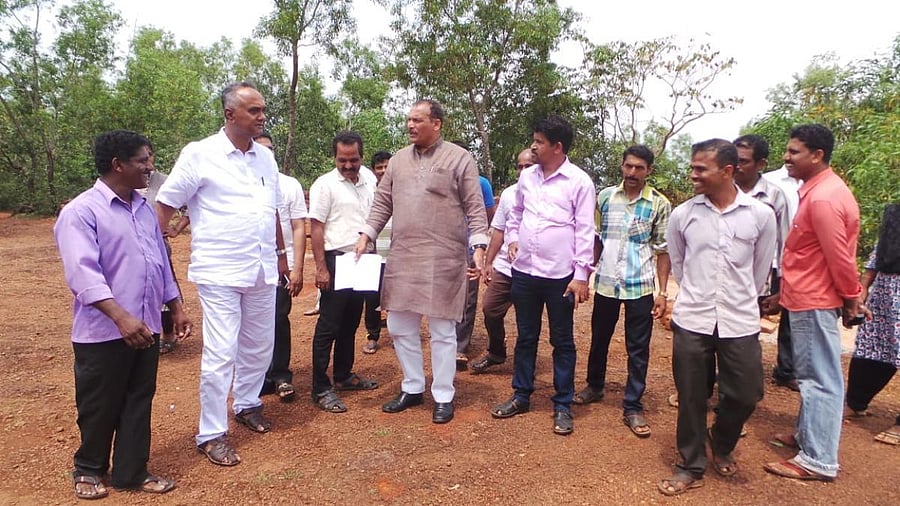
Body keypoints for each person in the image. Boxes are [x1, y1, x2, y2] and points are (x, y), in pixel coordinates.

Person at [156, 82, 297, 467]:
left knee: (259, 345)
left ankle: (248, 403)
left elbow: (270, 212)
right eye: (254, 111)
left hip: (262, 267)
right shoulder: (200, 154)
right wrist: (155, 248)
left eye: (263, 110)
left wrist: (282, 256)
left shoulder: (265, 159)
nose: (262, 116)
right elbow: (165, 205)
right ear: (229, 114)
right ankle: (211, 432)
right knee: (221, 353)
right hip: (220, 270)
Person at [55, 130, 190, 499]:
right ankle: (88, 469)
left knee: (138, 399)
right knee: (100, 403)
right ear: (118, 165)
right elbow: (83, 274)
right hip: (103, 332)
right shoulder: (81, 212)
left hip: (145, 325)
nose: (150, 167)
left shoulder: (145, 208)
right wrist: (121, 317)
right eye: (143, 160)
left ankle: (131, 472)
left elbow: (159, 261)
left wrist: (175, 305)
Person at [355, 99, 489, 425]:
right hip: (404, 255)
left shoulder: (459, 158)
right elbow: (382, 202)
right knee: (400, 325)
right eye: (409, 120)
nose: (410, 126)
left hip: (444, 256)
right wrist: (367, 234)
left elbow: (474, 207)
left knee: (443, 330)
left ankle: (443, 394)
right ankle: (412, 386)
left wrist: (480, 246)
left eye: (418, 120)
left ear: (437, 123)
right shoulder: (399, 160)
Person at [658, 139, 776, 496]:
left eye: (700, 169)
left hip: (739, 320)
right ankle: (690, 464)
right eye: (692, 167)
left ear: (727, 171)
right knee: (692, 395)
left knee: (745, 394)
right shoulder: (684, 215)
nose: (692, 174)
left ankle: (721, 441)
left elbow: (759, 272)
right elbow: (679, 264)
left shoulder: (760, 215)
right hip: (693, 319)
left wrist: (740, 300)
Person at [764, 124, 863, 482]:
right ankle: (807, 436)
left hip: (815, 299)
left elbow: (839, 257)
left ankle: (818, 459)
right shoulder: (821, 190)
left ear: (817, 155)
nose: (786, 158)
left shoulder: (823, 198)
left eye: (793, 152)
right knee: (811, 375)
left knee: (820, 379)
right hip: (807, 296)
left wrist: (852, 298)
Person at [490, 116, 595, 436]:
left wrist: (581, 275)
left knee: (561, 340)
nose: (533, 146)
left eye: (539, 141)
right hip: (525, 271)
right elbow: (515, 213)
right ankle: (521, 395)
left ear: (557, 147)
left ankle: (562, 404)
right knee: (526, 336)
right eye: (534, 140)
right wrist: (512, 240)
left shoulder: (579, 182)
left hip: (561, 276)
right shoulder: (528, 178)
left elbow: (585, 230)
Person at [575, 144, 671, 440]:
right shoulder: (605, 197)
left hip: (640, 285)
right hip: (605, 283)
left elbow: (663, 251)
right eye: (628, 166)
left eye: (639, 168)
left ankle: (632, 405)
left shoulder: (659, 204)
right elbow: (597, 240)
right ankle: (594, 386)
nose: (632, 173)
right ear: (622, 166)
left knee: (638, 348)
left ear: (649, 171)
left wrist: (663, 292)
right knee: (599, 338)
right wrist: (585, 274)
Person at [309, 131, 379, 413]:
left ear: (362, 156)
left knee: (351, 322)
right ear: (334, 157)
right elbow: (316, 228)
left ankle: (343, 375)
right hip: (336, 260)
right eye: (342, 160)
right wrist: (321, 268)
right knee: (329, 325)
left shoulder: (370, 180)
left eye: (354, 160)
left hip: (364, 260)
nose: (348, 166)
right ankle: (320, 387)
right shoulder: (324, 185)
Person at [254, 132, 306, 402]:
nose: (267, 154)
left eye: (271, 149)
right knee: (252, 325)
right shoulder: (242, 183)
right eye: (260, 148)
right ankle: (258, 378)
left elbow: (298, 226)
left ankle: (281, 376)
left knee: (277, 319)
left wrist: (296, 268)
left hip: (281, 268)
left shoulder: (289, 185)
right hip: (249, 267)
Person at [471, 148, 533, 374]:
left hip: (534, 270)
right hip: (507, 267)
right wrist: (489, 263)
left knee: (528, 320)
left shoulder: (549, 195)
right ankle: (496, 352)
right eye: (520, 166)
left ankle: (525, 364)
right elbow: (498, 231)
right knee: (490, 309)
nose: (524, 171)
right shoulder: (508, 194)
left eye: (529, 166)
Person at [844, 204, 900, 445]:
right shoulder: (895, 214)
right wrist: (863, 288)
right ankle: (856, 403)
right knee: (871, 350)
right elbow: (879, 254)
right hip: (886, 297)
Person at [451, 140, 496, 369]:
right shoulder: (439, 179)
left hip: (470, 248)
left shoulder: (481, 184)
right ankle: (445, 341)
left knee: (468, 297)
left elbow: (487, 214)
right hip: (444, 249)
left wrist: (478, 244)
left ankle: (460, 346)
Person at [141, 145, 190, 355]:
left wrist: (176, 228)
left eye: (149, 155)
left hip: (158, 244)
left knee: (163, 287)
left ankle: (168, 335)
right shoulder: (126, 182)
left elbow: (188, 206)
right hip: (131, 246)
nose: (147, 162)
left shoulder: (165, 181)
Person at [763, 163, 803, 390]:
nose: (790, 157)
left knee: (791, 314)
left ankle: (786, 369)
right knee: (759, 308)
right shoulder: (770, 183)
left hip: (795, 260)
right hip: (771, 258)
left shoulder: (813, 184)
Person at [362, 150, 393, 355]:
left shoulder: (404, 191)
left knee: (398, 298)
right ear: (374, 171)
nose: (383, 170)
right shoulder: (368, 193)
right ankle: (372, 336)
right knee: (371, 297)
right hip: (373, 255)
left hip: (398, 255)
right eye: (379, 167)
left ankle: (399, 335)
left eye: (386, 166)